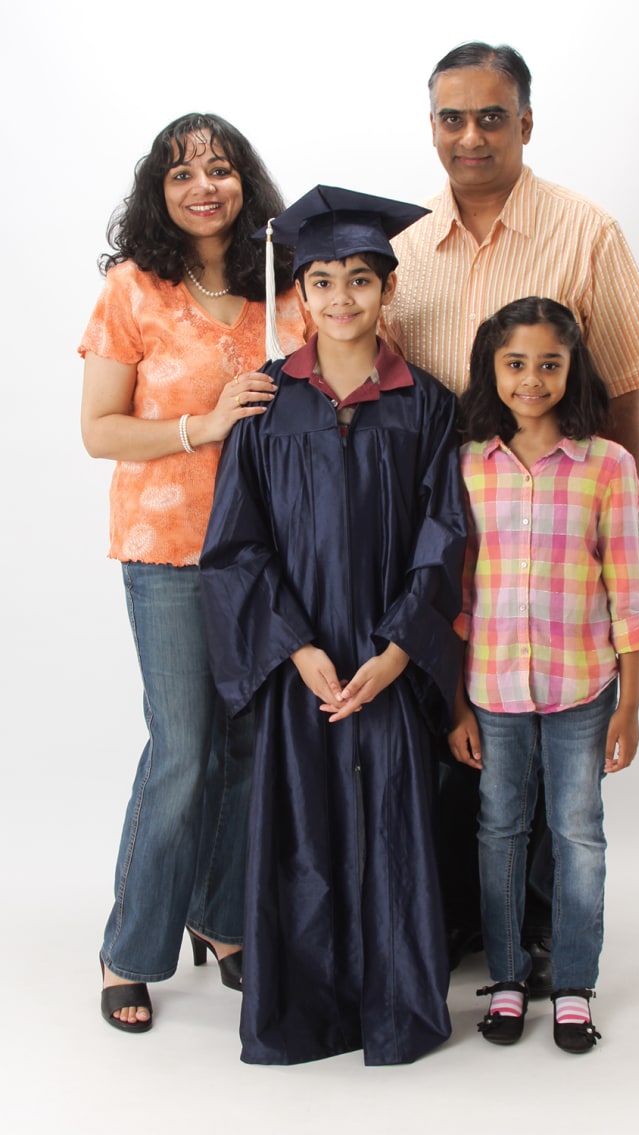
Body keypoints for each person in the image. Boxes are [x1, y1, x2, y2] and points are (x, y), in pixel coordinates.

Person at [382, 41, 639, 979]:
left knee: (559, 776)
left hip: (554, 537)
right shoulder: (403, 249)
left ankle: (548, 933)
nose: (471, 136)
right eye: (451, 118)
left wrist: (610, 532)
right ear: (432, 126)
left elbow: (623, 394)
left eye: (491, 116)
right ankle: (471, 922)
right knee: (460, 745)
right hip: (443, 539)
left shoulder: (586, 232)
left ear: (526, 122)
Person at [199, 186, 467, 1065]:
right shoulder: (266, 403)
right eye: (323, 281)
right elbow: (236, 545)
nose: (343, 297)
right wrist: (294, 645)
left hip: (385, 658)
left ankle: (395, 1009)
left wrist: (398, 652)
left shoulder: (426, 406)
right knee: (303, 827)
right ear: (301, 296)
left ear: (389, 292)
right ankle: (305, 1013)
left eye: (361, 278)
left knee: (392, 819)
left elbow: (444, 535)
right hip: (303, 663)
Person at [79, 113, 304, 1033]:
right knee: (184, 751)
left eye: (219, 168)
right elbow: (99, 431)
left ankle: (221, 917)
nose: (202, 185)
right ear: (159, 192)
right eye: (181, 173)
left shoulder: (279, 289)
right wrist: (201, 427)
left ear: (245, 182)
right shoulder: (133, 290)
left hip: (267, 553)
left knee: (250, 750)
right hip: (168, 550)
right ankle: (129, 948)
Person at [448, 296, 639, 1053]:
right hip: (494, 691)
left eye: (549, 363)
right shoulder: (470, 463)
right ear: (490, 369)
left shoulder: (608, 465)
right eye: (514, 363)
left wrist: (629, 707)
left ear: (573, 368)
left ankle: (572, 983)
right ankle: (506, 978)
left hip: (581, 689)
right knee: (498, 828)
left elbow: (625, 595)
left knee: (578, 833)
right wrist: (457, 705)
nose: (532, 378)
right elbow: (459, 598)